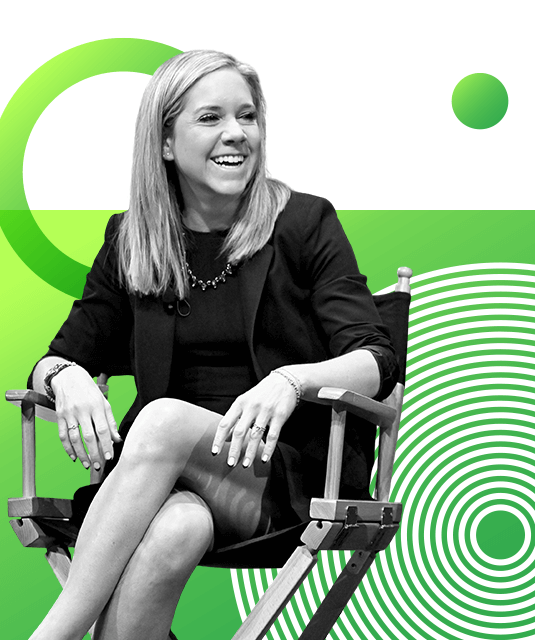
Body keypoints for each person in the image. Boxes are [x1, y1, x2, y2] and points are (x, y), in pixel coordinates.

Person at [27, 50, 398, 640]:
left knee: (162, 419)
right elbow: (61, 353)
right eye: (211, 118)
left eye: (247, 116)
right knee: (176, 529)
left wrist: (289, 381)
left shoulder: (302, 222)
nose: (236, 134)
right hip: (162, 480)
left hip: (281, 476)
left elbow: (375, 358)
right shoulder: (132, 240)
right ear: (166, 143)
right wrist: (64, 377)